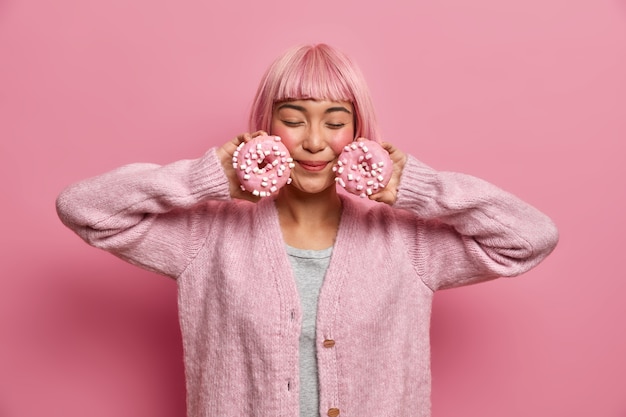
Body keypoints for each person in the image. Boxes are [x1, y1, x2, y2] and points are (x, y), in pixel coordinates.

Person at [56, 43, 559, 417]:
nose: (314, 142)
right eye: (293, 119)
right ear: (266, 127)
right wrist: (207, 178)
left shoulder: (406, 243)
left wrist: (418, 187)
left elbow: (530, 237)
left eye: (335, 122)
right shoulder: (207, 238)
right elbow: (83, 209)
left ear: (358, 133)